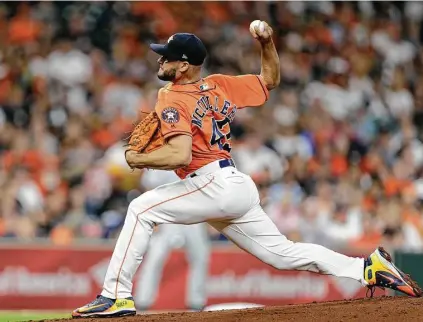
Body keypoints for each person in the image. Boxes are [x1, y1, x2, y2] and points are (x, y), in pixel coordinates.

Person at [72, 20, 422, 318]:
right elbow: (269, 78)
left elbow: (179, 155)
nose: (160, 59)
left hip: (210, 182)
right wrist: (267, 42)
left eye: (166, 56)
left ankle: (116, 294)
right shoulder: (220, 84)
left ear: (183, 66)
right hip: (234, 183)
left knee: (140, 208)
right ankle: (366, 268)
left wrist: (138, 159)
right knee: (282, 254)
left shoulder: (172, 95)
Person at [134, 169, 210, 311]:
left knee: (201, 257)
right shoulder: (162, 154)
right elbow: (149, 187)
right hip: (166, 214)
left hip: (194, 212)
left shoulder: (198, 153)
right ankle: (142, 302)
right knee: (155, 257)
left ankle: (196, 303)